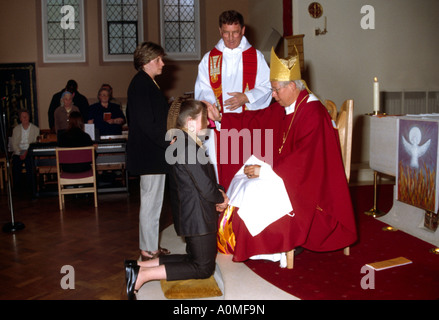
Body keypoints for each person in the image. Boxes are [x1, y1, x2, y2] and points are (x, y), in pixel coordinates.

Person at [207, 48, 357, 262]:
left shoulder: (312, 113)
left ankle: (277, 243)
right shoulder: (288, 106)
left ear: (292, 86)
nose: (273, 95)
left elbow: (307, 160)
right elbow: (256, 121)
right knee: (243, 182)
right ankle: (244, 239)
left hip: (310, 187)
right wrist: (222, 118)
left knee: (253, 190)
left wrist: (266, 170)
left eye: (276, 90)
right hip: (288, 174)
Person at [124, 98, 229, 300]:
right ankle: (142, 276)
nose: (208, 123)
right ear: (190, 122)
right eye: (204, 119)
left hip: (192, 214)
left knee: (194, 258)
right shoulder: (187, 146)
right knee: (203, 267)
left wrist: (219, 190)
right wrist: (219, 197)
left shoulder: (183, 141)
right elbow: (205, 186)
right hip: (197, 217)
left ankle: (138, 265)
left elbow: (201, 178)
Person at [194, 10, 272, 189]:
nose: (230, 38)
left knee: (245, 174)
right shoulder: (209, 59)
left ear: (243, 30)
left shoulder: (256, 57)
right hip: (219, 129)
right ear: (220, 31)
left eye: (235, 32)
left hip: (246, 126)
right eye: (226, 32)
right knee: (219, 173)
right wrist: (214, 107)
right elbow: (202, 89)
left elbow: (268, 87)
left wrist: (247, 97)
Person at [126, 42, 171, 262]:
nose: (162, 63)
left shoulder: (146, 82)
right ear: (146, 62)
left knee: (154, 202)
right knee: (151, 201)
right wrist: (168, 141)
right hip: (150, 153)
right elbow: (147, 123)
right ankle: (147, 249)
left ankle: (151, 245)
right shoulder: (141, 84)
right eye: (158, 60)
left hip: (153, 152)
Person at [11, 109, 40, 191]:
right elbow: (14, 144)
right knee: (16, 163)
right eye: (23, 117)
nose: (25, 118)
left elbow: (34, 143)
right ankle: (18, 188)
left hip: (29, 151)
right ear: (20, 119)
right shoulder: (16, 130)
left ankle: (31, 187)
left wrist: (26, 152)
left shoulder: (35, 129)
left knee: (29, 162)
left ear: (29, 117)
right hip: (19, 151)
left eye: (26, 116)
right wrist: (21, 152)